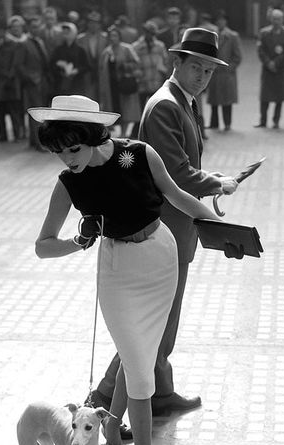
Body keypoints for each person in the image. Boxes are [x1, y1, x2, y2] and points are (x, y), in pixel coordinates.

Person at [28, 94, 220, 445]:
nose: (66, 158)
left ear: (95, 137)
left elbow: (176, 195)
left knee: (139, 363)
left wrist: (220, 226)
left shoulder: (138, 154)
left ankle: (113, 432)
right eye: (58, 151)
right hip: (115, 270)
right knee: (138, 369)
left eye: (72, 148)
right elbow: (43, 246)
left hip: (160, 258)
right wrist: (76, 243)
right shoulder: (68, 181)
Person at [90, 28, 238, 424]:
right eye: (196, 68)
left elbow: (182, 164)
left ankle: (160, 393)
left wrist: (210, 176)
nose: (203, 77)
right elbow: (174, 173)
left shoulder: (181, 101)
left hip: (175, 227)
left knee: (162, 323)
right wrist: (215, 183)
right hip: (164, 230)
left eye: (209, 71)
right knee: (149, 326)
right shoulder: (166, 105)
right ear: (176, 63)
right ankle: (101, 401)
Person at [15, 15, 51, 150]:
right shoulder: (23, 43)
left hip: (43, 81)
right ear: (29, 28)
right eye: (34, 27)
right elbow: (19, 65)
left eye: (38, 26)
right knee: (37, 113)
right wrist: (31, 78)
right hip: (33, 83)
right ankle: (38, 143)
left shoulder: (40, 41)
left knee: (41, 111)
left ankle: (33, 140)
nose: (37, 29)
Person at [99, 25, 141, 138]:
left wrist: (124, 66)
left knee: (125, 110)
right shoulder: (106, 52)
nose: (112, 38)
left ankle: (123, 133)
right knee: (113, 108)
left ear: (119, 37)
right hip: (110, 86)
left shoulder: (127, 49)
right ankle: (111, 133)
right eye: (110, 36)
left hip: (123, 83)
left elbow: (136, 63)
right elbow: (101, 70)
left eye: (115, 35)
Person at [255, 9, 284, 129]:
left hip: (281, 69)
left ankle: (276, 120)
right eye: (274, 18)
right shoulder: (264, 32)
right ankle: (263, 120)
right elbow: (260, 50)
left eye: (279, 19)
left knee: (279, 96)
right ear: (271, 19)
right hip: (267, 69)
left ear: (283, 20)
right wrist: (268, 63)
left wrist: (276, 63)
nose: (276, 21)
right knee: (265, 97)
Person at [0, 21, 23, 142]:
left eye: (1, 30)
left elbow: (16, 63)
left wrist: (9, 75)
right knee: (0, 110)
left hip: (10, 81)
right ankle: (3, 135)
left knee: (14, 110)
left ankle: (17, 134)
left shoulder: (13, 44)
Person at [206, 12, 242, 131]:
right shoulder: (211, 36)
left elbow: (238, 56)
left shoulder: (232, 36)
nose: (220, 22)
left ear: (226, 21)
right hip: (214, 73)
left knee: (227, 100)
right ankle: (214, 123)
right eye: (218, 20)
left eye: (222, 20)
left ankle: (227, 123)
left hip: (226, 74)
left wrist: (229, 67)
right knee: (214, 100)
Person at [50, 22, 89, 96]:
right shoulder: (58, 49)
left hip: (76, 83)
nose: (65, 33)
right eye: (64, 31)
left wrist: (77, 71)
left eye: (68, 31)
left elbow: (86, 66)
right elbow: (52, 65)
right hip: (61, 83)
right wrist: (60, 69)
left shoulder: (80, 50)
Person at [77, 10, 108, 102]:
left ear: (99, 25)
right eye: (91, 23)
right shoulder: (80, 39)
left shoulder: (105, 37)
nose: (93, 25)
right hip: (87, 72)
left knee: (103, 97)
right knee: (88, 97)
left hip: (102, 71)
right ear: (88, 24)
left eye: (96, 23)